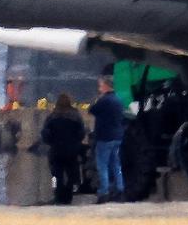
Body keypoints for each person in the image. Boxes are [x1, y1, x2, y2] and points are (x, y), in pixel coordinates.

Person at [41, 93, 86, 205]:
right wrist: (77, 142)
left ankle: (58, 195)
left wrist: (51, 142)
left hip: (56, 149)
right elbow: (81, 132)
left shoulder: (52, 116)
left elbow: (45, 133)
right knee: (71, 173)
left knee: (57, 174)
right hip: (72, 149)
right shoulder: (76, 115)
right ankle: (68, 195)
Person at [88, 74, 126, 203]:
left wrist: (96, 99)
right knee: (116, 164)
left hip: (105, 137)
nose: (99, 87)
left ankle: (104, 192)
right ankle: (120, 189)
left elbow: (91, 110)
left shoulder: (104, 100)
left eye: (100, 85)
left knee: (102, 165)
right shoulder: (118, 99)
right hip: (117, 137)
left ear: (105, 85)